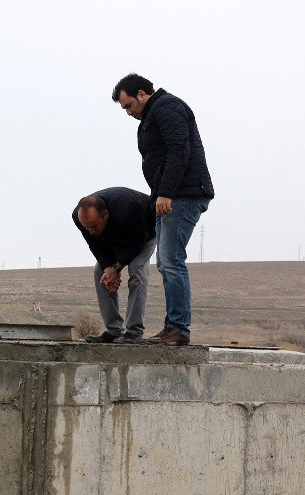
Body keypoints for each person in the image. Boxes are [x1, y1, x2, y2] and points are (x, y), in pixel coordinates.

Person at [112, 73, 215, 346]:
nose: (128, 112)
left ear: (142, 94)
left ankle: (178, 329)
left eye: (128, 105)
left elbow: (178, 149)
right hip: (170, 196)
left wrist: (166, 193)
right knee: (167, 263)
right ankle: (174, 328)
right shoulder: (154, 115)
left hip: (182, 195)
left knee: (171, 262)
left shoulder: (167, 107)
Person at [72, 187, 156, 343]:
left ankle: (134, 331)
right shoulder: (79, 218)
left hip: (144, 235)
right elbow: (95, 245)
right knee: (99, 271)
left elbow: (137, 242)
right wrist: (108, 269)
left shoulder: (129, 207)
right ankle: (114, 330)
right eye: (87, 227)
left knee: (137, 269)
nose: (90, 231)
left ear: (106, 215)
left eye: (94, 226)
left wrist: (116, 268)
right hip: (115, 240)